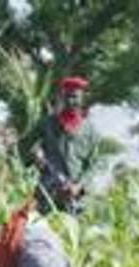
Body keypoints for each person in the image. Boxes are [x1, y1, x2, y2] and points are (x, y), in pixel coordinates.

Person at [18, 76, 106, 214]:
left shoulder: (90, 130)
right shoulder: (46, 123)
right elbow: (23, 144)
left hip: (77, 199)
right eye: (67, 97)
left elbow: (97, 163)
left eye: (75, 97)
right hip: (48, 194)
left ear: (82, 99)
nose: (71, 101)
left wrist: (79, 186)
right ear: (61, 98)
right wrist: (35, 159)